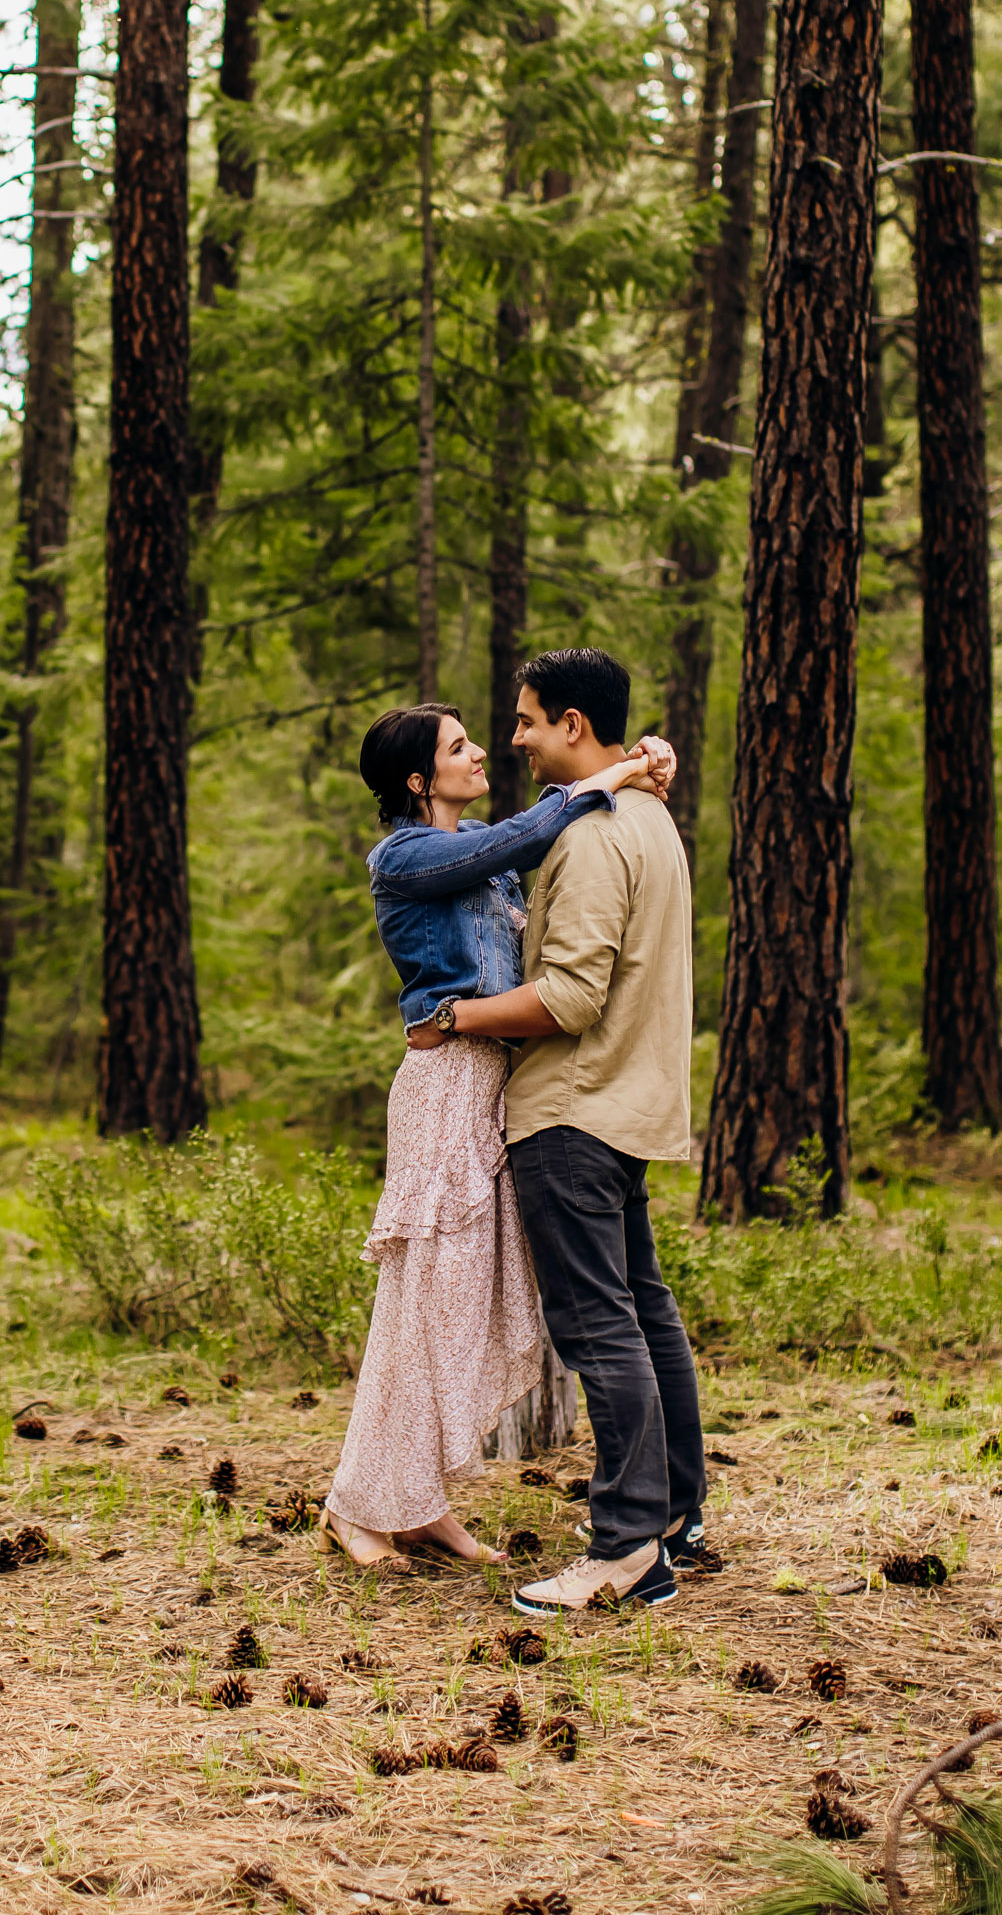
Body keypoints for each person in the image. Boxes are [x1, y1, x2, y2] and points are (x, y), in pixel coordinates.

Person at [319, 701, 674, 1572]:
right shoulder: (404, 855)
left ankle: (418, 1497)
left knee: (458, 1301)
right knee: (422, 1297)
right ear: (416, 779)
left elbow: (563, 859)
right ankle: (354, 1504)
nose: (481, 751)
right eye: (457, 747)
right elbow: (528, 832)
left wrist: (645, 762)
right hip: (445, 1083)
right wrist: (616, 772)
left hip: (496, 1082)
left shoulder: (480, 846)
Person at [403, 647, 707, 1616]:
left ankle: (624, 1548)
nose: (517, 737)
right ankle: (672, 1519)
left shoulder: (589, 837)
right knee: (645, 1313)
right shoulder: (652, 819)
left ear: (574, 724)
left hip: (571, 1108)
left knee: (599, 1326)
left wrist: (452, 1020)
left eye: (529, 719)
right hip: (630, 1101)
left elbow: (570, 997)